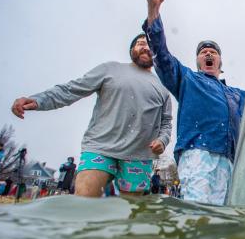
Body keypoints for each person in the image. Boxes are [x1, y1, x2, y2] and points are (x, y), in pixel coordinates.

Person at [10, 34, 173, 197]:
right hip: (100, 148)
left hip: (139, 155)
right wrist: (39, 100)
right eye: (141, 43)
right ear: (132, 50)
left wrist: (162, 141)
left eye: (151, 45)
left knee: (130, 213)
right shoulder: (110, 69)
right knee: (84, 199)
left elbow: (166, 122)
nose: (146, 47)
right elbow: (71, 89)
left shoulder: (163, 87)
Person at [143, 0, 245, 205]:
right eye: (203, 52)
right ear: (199, 61)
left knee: (224, 216)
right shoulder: (187, 79)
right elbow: (161, 55)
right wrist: (154, 11)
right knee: (199, 212)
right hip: (197, 153)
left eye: (213, 52)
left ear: (220, 61)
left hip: (230, 159)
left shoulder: (238, 95)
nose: (208, 54)